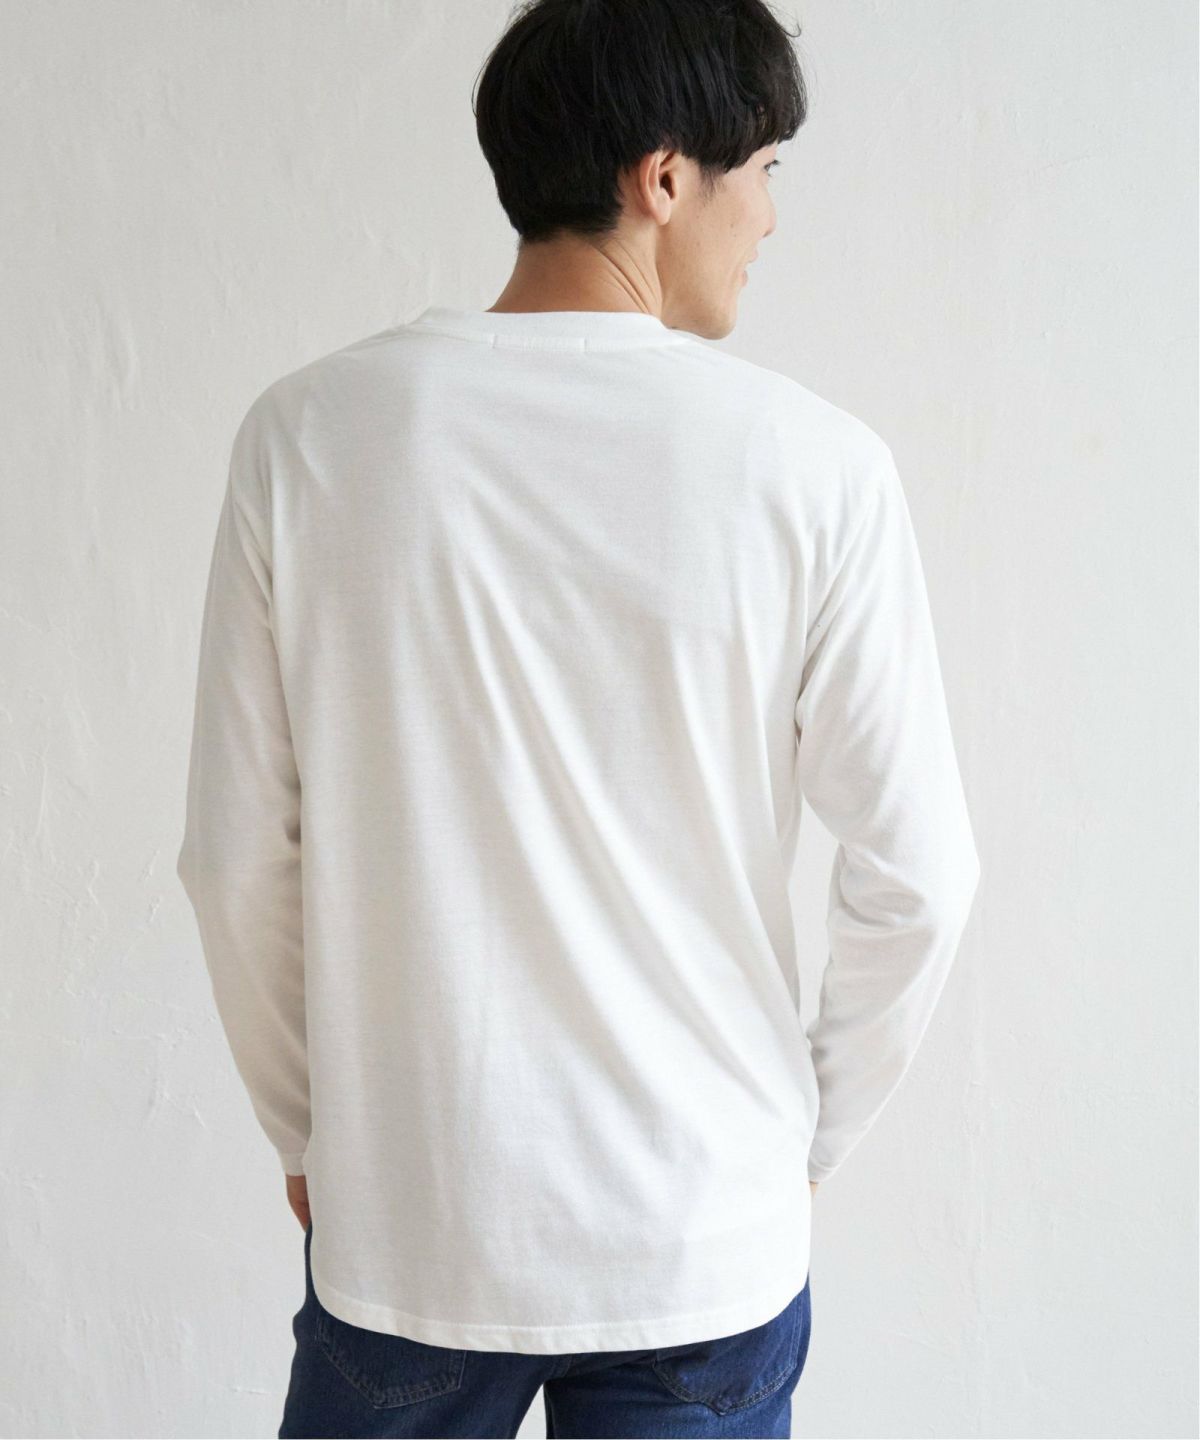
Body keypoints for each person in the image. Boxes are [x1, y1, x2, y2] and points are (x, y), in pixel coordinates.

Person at [175, 1, 981, 1435]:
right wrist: (800, 1141)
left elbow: (237, 861)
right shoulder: (817, 469)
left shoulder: (307, 437)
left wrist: (309, 1130)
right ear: (664, 177)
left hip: (414, 1218)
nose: (771, 217)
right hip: (698, 1232)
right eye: (764, 170)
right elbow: (919, 873)